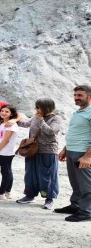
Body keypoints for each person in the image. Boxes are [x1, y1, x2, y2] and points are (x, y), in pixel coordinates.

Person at [15, 98, 62, 209]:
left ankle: (49, 199)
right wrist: (13, 119)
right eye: (36, 107)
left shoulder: (56, 119)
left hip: (48, 151)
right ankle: (29, 195)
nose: (36, 109)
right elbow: (26, 124)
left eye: (38, 107)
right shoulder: (36, 116)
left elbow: (51, 131)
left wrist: (41, 120)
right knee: (30, 174)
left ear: (46, 108)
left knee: (48, 175)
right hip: (31, 150)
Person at [56, 85, 91, 222]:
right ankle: (76, 205)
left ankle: (86, 211)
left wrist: (88, 156)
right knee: (76, 182)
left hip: (83, 152)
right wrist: (65, 149)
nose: (76, 98)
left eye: (80, 95)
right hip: (72, 150)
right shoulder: (78, 112)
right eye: (75, 95)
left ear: (89, 96)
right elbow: (75, 133)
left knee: (86, 184)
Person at [0, 105, 19, 200]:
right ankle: (7, 192)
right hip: (2, 151)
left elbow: (6, 140)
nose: (3, 113)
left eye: (7, 111)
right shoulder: (3, 123)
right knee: (8, 171)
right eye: (2, 111)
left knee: (5, 172)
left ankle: (0, 193)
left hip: (6, 151)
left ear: (11, 114)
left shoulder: (11, 125)